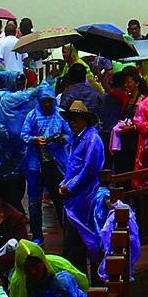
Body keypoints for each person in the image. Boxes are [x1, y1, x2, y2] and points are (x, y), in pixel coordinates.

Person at [58, 97, 108, 274]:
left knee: (89, 240)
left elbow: (89, 169)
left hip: (87, 199)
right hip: (74, 200)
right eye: (70, 119)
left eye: (76, 119)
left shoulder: (92, 139)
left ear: (85, 120)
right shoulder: (76, 138)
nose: (72, 122)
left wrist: (69, 186)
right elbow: (72, 167)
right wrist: (64, 183)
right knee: (73, 246)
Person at [19, 83, 70, 235]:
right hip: (36, 165)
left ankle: (67, 233)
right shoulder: (32, 115)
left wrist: (62, 138)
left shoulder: (61, 115)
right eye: (43, 101)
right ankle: (37, 235)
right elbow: (24, 134)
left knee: (60, 200)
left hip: (57, 164)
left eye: (49, 101)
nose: (47, 104)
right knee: (34, 203)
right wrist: (34, 139)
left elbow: (71, 134)